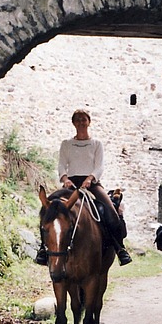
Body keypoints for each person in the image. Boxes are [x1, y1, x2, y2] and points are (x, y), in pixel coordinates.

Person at [35, 109, 133, 266]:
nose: (81, 122)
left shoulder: (96, 144)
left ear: (89, 122)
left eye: (84, 119)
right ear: (73, 123)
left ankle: (120, 249)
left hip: (92, 184)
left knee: (110, 212)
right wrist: (65, 178)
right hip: (70, 185)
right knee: (48, 210)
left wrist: (90, 178)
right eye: (78, 120)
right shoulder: (66, 144)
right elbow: (62, 164)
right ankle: (42, 249)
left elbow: (99, 166)